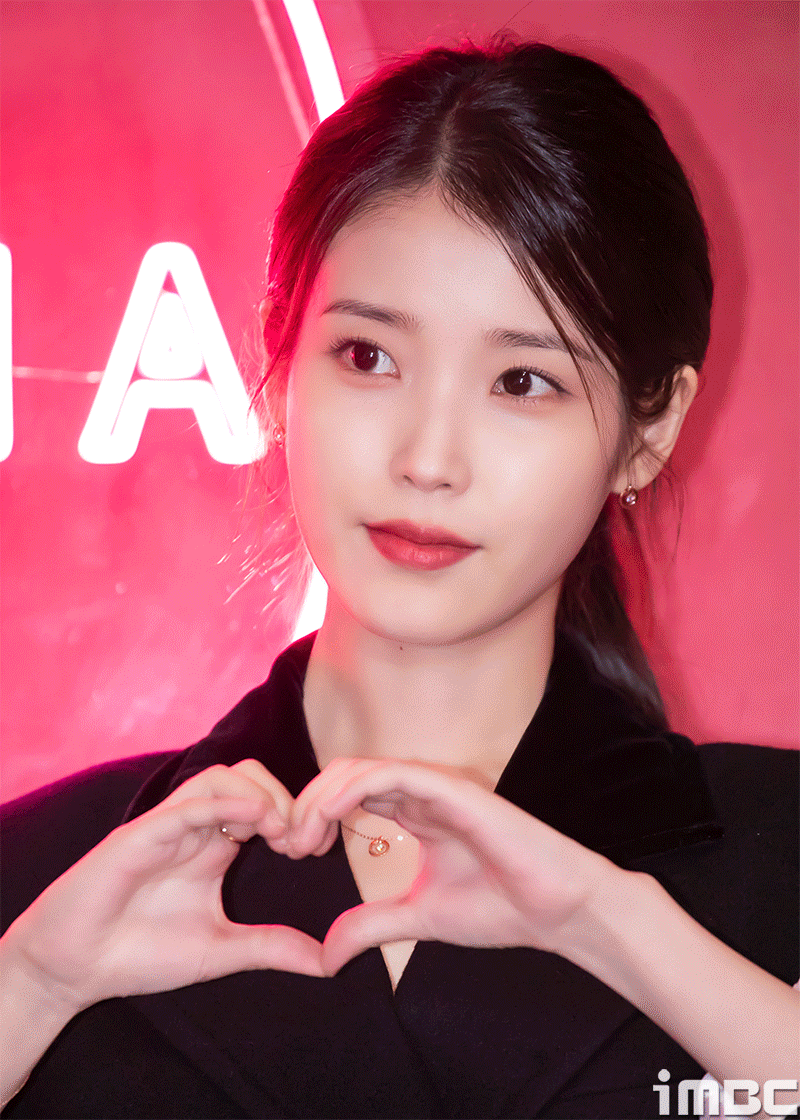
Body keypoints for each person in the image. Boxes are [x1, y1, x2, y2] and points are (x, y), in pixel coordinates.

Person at [1, 37, 798, 1120]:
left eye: (522, 381)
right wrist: (31, 987)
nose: (428, 459)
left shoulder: (778, 859)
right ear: (280, 366)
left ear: (647, 430)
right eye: (367, 357)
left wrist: (619, 929)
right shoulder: (46, 879)